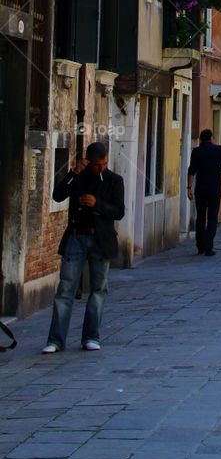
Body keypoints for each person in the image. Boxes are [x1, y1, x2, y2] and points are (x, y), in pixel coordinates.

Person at [43, 142, 125, 353]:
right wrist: (72, 173)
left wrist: (96, 203)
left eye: (104, 164)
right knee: (65, 288)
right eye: (97, 165)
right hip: (76, 237)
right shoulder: (78, 177)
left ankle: (91, 337)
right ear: (88, 161)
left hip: (101, 240)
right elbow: (58, 195)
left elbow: (118, 211)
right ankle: (55, 340)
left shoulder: (114, 180)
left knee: (98, 289)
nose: (101, 168)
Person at [187, 128, 221, 255]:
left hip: (200, 189)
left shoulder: (196, 151)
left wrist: (189, 188)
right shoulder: (219, 150)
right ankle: (208, 246)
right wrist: (219, 169)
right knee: (212, 218)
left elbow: (191, 171)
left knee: (200, 217)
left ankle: (200, 245)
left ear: (200, 139)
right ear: (211, 138)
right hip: (215, 189)